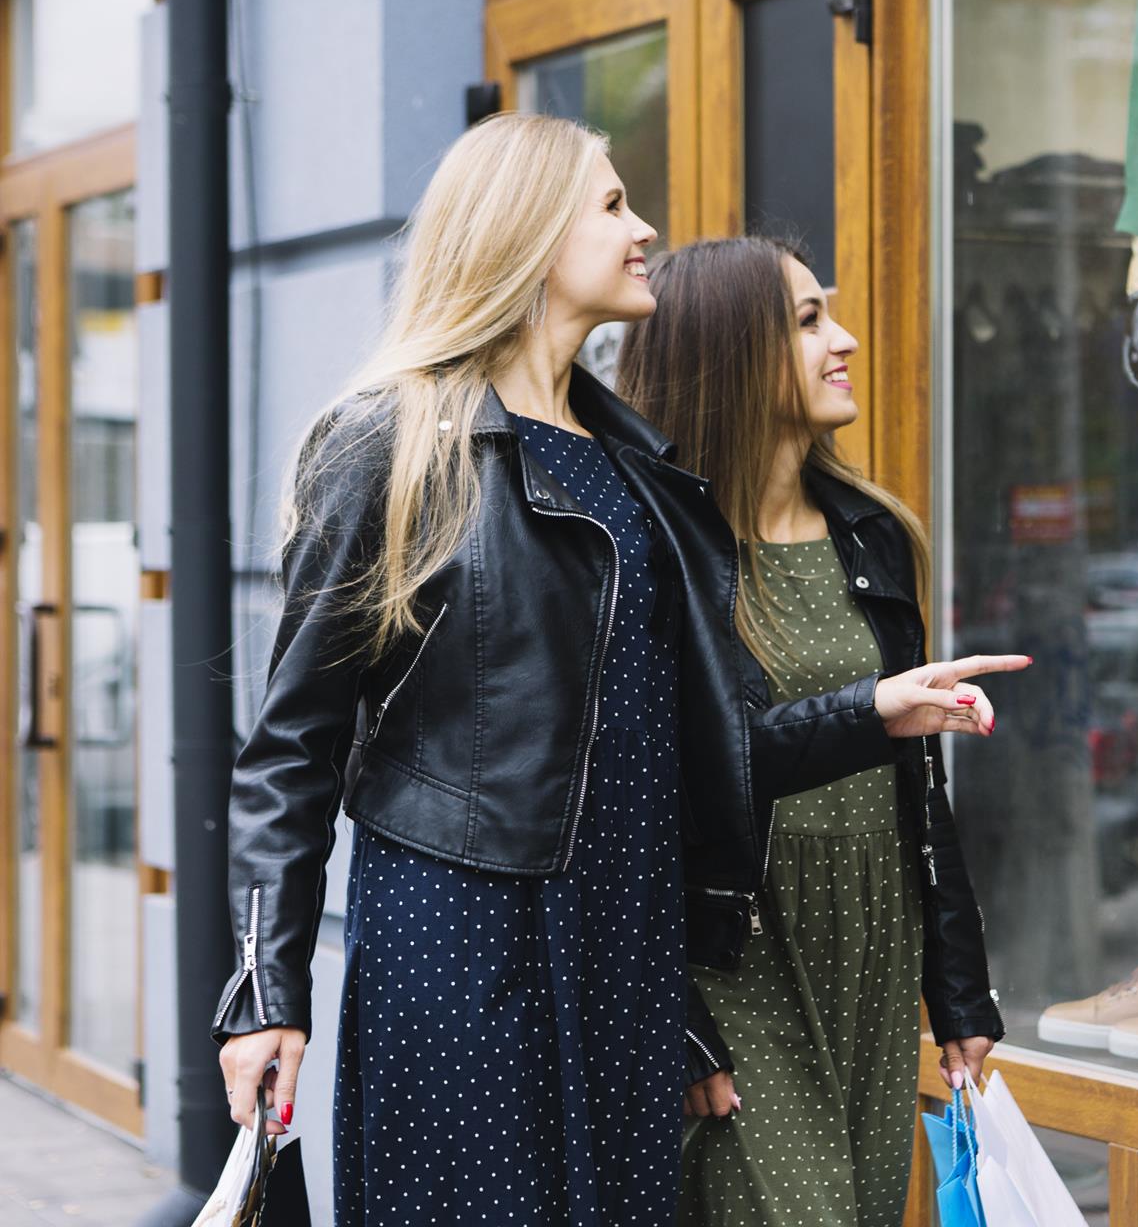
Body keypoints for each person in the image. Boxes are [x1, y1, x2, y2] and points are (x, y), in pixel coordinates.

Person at [212, 114, 1023, 1226]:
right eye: (610, 205)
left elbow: (685, 745)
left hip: (624, 961)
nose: (643, 228)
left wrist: (869, 713)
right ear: (530, 232)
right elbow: (290, 750)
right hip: (466, 949)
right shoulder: (393, 443)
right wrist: (266, 992)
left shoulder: (637, 468)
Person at [618, 237, 1007, 1226]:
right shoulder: (653, 555)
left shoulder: (873, 532)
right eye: (807, 320)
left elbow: (922, 793)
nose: (847, 338)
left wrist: (960, 993)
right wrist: (677, 1022)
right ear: (730, 353)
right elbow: (649, 794)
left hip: (874, 936)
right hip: (742, 949)